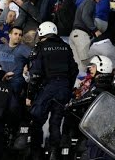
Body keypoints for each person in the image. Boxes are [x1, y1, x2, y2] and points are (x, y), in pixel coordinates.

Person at [26, 22, 78, 160]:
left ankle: (35, 153)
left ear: (41, 33)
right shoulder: (65, 47)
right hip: (63, 88)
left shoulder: (40, 47)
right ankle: (54, 153)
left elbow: (35, 74)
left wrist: (30, 95)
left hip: (47, 88)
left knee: (37, 120)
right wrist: (67, 86)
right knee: (56, 122)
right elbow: (74, 70)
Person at [69, 0, 103, 73]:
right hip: (81, 35)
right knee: (86, 63)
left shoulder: (84, 2)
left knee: (78, 66)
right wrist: (95, 30)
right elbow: (85, 16)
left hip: (74, 35)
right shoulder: (90, 2)